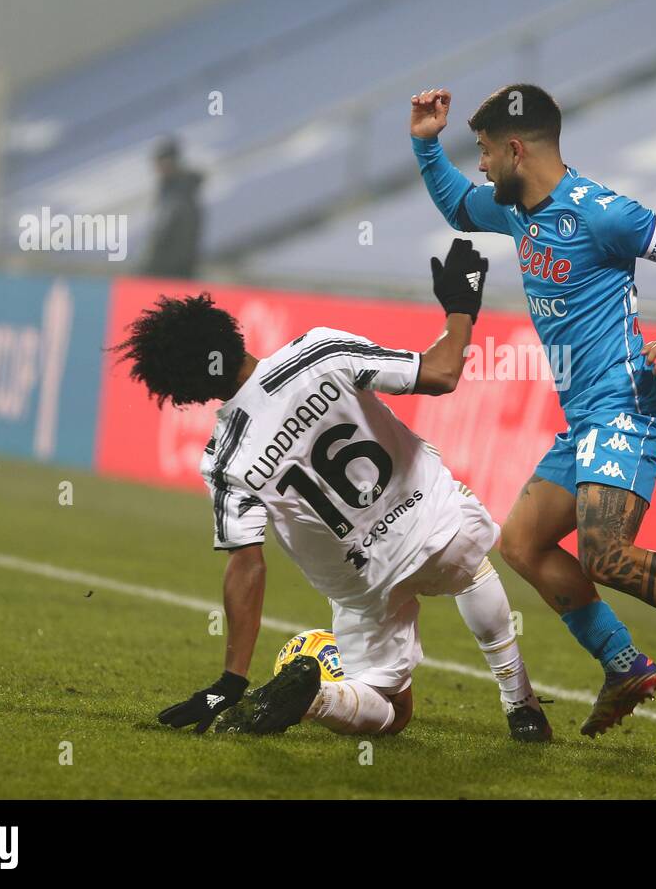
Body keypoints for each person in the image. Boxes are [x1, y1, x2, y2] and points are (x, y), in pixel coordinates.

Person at [409, 84, 656, 735]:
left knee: (606, 554)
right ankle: (622, 664)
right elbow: (456, 206)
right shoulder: (515, 209)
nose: (477, 166)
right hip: (584, 416)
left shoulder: (601, 212)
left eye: (480, 152)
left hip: (628, 402)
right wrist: (424, 142)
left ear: (514, 148)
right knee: (522, 544)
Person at [115, 240, 551, 741]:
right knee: (470, 569)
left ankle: (319, 697)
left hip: (366, 585)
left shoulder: (225, 460)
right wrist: (461, 308)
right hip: (433, 522)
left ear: (183, 390)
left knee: (390, 712)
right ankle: (519, 703)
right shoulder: (320, 351)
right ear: (225, 329)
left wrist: (231, 681)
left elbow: (247, 564)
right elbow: (442, 373)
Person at [141, 137, 204, 278]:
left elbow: (180, 239)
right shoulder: (167, 189)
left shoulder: (182, 194)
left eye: (161, 162)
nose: (158, 167)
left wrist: (153, 268)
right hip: (166, 270)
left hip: (175, 273)